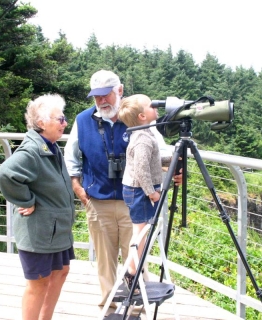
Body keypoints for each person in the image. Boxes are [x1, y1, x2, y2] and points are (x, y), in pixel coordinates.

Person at [64, 70, 181, 306]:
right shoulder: (83, 120)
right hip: (97, 201)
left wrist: (175, 170)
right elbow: (71, 158)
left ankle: (138, 302)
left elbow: (161, 153)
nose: (101, 101)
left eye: (105, 95)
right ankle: (109, 304)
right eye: (96, 97)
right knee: (105, 259)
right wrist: (78, 188)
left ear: (120, 90)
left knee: (136, 256)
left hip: (135, 201)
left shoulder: (138, 119)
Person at [0, 94, 75, 320]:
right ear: (41, 123)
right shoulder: (32, 150)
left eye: (64, 118)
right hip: (40, 232)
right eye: (60, 119)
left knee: (61, 272)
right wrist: (26, 200)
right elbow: (6, 174)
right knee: (38, 282)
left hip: (55, 230)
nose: (65, 123)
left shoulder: (50, 147)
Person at [117, 94, 172, 294]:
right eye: (152, 105)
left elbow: (149, 161)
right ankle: (132, 272)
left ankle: (134, 270)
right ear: (141, 116)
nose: (156, 106)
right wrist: (152, 193)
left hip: (137, 190)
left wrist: (169, 160)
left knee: (140, 233)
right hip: (139, 191)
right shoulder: (143, 139)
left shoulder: (144, 133)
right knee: (139, 234)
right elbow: (141, 170)